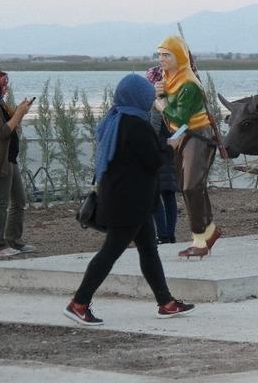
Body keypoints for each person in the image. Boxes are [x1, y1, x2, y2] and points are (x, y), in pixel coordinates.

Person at [64, 74, 195, 326]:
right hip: (130, 203)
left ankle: (166, 302)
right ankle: (78, 303)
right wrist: (172, 145)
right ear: (138, 97)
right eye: (148, 96)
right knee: (110, 252)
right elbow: (154, 160)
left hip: (129, 200)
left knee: (149, 251)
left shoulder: (116, 119)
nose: (150, 100)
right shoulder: (136, 124)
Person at [153, 36, 221, 258]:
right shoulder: (170, 79)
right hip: (183, 137)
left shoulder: (189, 83)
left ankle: (200, 239)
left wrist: (162, 104)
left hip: (198, 136)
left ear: (179, 56)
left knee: (191, 186)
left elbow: (180, 117)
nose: (161, 59)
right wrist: (162, 94)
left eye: (167, 55)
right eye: (160, 54)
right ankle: (209, 231)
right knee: (191, 186)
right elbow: (174, 121)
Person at [0, 68, 36, 257]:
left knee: (19, 201)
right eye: (3, 83)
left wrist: (20, 113)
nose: (6, 87)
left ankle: (13, 241)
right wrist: (18, 113)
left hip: (9, 159)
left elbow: (11, 127)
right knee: (1, 202)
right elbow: (1, 132)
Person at [146, 66, 179, 244]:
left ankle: (163, 235)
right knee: (168, 194)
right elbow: (182, 125)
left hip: (158, 153)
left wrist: (155, 109)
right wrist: (175, 139)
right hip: (169, 153)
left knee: (156, 196)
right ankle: (170, 234)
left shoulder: (157, 104)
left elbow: (153, 129)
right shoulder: (174, 101)